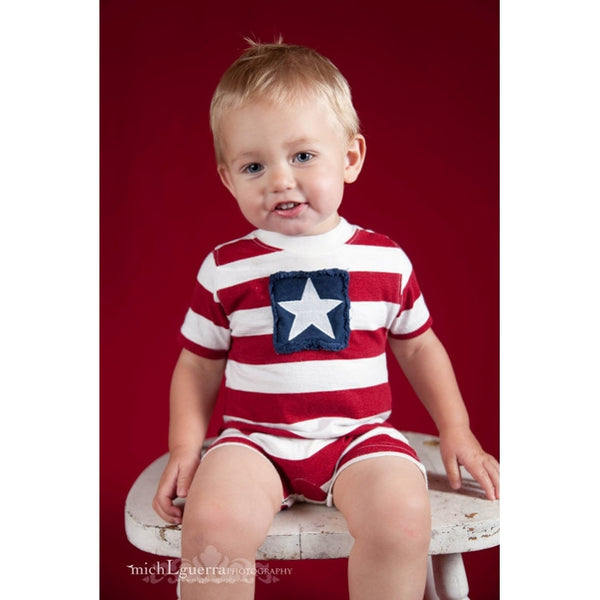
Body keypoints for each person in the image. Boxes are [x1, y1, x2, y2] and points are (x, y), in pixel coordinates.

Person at [152, 40, 499, 600]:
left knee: (403, 518)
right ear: (227, 179)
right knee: (213, 522)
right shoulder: (226, 267)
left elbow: (419, 346)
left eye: (303, 156)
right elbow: (197, 364)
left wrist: (456, 428)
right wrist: (185, 447)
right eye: (254, 165)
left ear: (351, 158)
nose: (280, 180)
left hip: (359, 438)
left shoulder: (383, 259)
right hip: (254, 441)